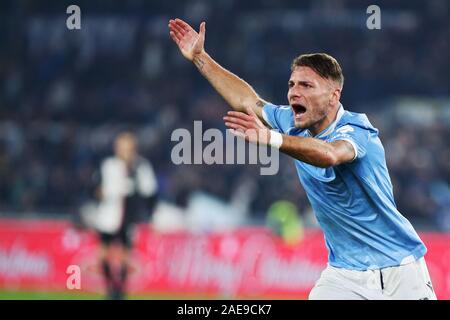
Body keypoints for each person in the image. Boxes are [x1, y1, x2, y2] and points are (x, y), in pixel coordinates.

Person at [168, 18, 436, 300]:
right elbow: (248, 101)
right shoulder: (292, 122)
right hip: (344, 275)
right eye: (292, 84)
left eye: (307, 85)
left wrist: (271, 139)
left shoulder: (358, 132)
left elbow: (330, 154)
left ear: (334, 96)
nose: (295, 91)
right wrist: (201, 58)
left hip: (398, 272)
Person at [94, 131, 158, 300]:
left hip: (128, 216)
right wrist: (102, 193)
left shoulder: (141, 167)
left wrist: (150, 216)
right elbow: (95, 189)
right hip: (107, 216)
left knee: (125, 254)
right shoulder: (107, 165)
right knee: (104, 253)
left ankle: (120, 290)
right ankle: (109, 288)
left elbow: (150, 193)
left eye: (128, 148)